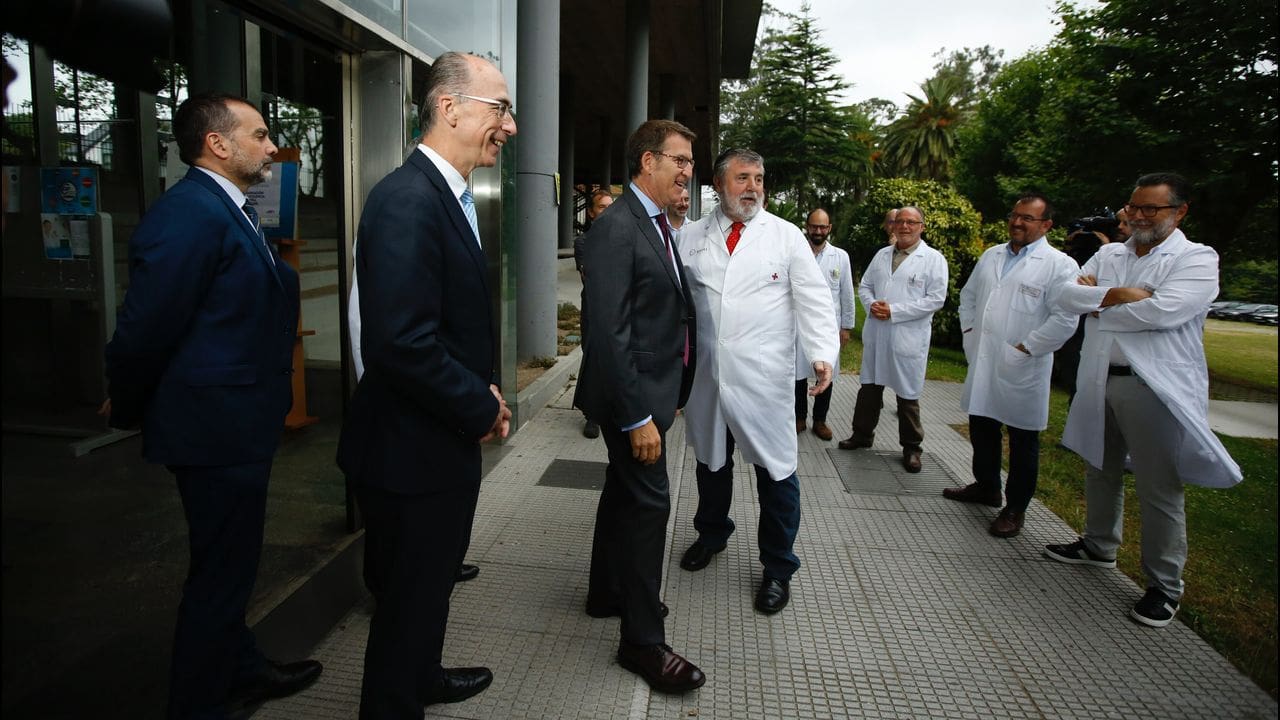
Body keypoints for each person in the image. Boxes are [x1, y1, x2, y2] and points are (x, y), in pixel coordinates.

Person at [102, 92, 322, 719]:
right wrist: (128, 400)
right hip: (212, 428)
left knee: (232, 563)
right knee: (220, 573)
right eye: (258, 135)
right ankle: (198, 701)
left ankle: (241, 667)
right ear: (217, 144)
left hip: (237, 422)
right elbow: (146, 327)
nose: (270, 146)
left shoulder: (227, 206)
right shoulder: (189, 214)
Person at [337, 52, 515, 717]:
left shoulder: (446, 194)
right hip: (409, 453)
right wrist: (478, 404)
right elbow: (400, 343)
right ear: (449, 108)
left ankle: (423, 677)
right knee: (408, 603)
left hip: (433, 442)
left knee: (429, 590)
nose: (510, 126)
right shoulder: (408, 200)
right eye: (500, 109)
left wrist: (481, 393)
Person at [1044, 172, 1242, 628]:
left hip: (1151, 385)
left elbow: (1165, 311)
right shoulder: (1111, 252)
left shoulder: (1196, 258)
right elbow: (1063, 295)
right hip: (1100, 377)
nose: (1138, 216)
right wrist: (1119, 295)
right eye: (1133, 207)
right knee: (1100, 466)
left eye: (1151, 209)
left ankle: (1164, 586)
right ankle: (1099, 545)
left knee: (1158, 486)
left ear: (1179, 211)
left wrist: (1097, 302)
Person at [573, 119, 705, 694]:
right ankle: (642, 641)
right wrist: (636, 417)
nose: (688, 172)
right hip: (632, 400)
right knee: (650, 508)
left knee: (623, 493)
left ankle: (607, 592)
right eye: (680, 160)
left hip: (650, 391)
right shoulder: (617, 227)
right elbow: (608, 334)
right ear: (648, 162)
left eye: (691, 162)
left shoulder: (654, 222)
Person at [677, 149, 838, 615]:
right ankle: (711, 535)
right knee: (711, 464)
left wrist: (822, 354)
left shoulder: (785, 237)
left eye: (759, 179)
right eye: (742, 178)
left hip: (764, 381)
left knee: (776, 473)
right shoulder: (690, 237)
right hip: (708, 377)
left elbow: (814, 300)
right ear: (718, 184)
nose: (753, 188)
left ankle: (778, 567)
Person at [945, 193, 1079, 537]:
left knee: (1022, 439)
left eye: (1027, 218)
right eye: (1015, 215)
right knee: (982, 426)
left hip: (1025, 365)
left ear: (1046, 225)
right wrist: (970, 331)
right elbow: (968, 296)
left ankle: (1015, 508)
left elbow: (1066, 318)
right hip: (985, 356)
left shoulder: (1060, 265)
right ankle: (987, 486)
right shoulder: (992, 255)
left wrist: (1027, 347)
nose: (1017, 222)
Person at [837, 205, 948, 473]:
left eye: (911, 222)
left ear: (922, 227)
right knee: (869, 389)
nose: (904, 226)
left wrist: (895, 312)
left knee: (907, 395)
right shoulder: (882, 255)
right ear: (893, 226)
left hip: (907, 338)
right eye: (900, 221)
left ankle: (912, 448)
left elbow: (935, 299)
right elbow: (865, 286)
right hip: (878, 334)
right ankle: (862, 434)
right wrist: (872, 304)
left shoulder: (933, 259)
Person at [1054, 209, 1131, 400]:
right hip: (1084, 341)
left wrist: (1094, 298)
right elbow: (1068, 294)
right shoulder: (1104, 255)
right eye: (1117, 222)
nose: (1119, 227)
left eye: (1125, 223)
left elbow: (1144, 308)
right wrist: (1113, 297)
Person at [794, 207, 854, 441]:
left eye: (822, 227)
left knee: (826, 372)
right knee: (798, 373)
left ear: (829, 228)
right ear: (807, 227)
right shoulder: (797, 253)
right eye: (814, 226)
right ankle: (799, 417)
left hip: (829, 326)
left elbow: (847, 294)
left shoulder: (840, 257)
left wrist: (846, 327)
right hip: (800, 323)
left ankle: (820, 420)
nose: (818, 231)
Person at [572, 187, 615, 439]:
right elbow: (591, 276)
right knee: (593, 357)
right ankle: (592, 414)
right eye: (602, 207)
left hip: (619, 308)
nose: (608, 212)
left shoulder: (624, 238)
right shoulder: (584, 242)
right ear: (590, 212)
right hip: (595, 308)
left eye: (611, 207)